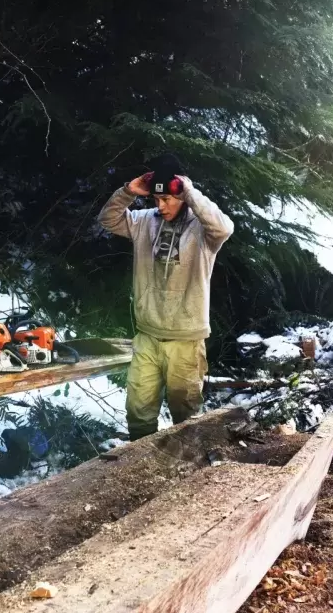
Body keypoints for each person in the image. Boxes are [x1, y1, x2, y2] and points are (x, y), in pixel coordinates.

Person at [98, 153, 234, 440]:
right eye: (155, 200)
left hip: (185, 339)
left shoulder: (203, 228)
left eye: (167, 200)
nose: (160, 206)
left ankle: (184, 478)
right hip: (147, 336)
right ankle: (140, 474)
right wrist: (126, 192)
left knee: (185, 418)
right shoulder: (144, 221)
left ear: (180, 194)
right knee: (139, 413)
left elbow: (224, 227)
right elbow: (108, 219)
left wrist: (190, 192)